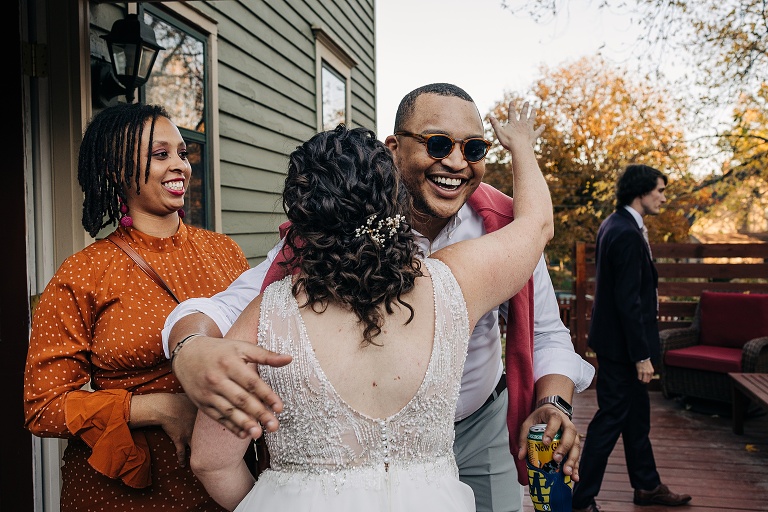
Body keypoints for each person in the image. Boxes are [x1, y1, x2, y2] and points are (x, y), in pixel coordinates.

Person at [163, 83, 594, 512]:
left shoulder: (498, 224)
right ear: (392, 155)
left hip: (484, 423)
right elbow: (222, 305)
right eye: (438, 144)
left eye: (475, 148)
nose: (457, 162)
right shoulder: (456, 279)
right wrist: (191, 348)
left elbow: (548, 333)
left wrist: (553, 402)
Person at [22, 103, 269, 511]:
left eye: (182, 153)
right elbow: (42, 407)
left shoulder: (224, 253)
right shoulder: (84, 272)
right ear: (117, 171)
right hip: (123, 495)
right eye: (160, 155)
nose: (180, 166)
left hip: (226, 485)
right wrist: (159, 407)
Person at [571, 164, 692, 512]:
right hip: (623, 349)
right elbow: (628, 300)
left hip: (618, 344)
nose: (663, 197)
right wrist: (641, 355)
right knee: (610, 420)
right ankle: (580, 500)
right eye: (660, 190)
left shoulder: (617, 223)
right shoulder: (624, 231)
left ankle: (647, 485)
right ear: (640, 192)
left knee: (637, 419)